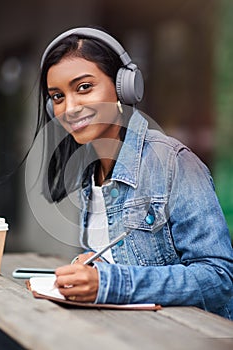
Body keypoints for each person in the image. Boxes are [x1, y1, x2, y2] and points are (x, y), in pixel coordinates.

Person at [34, 26, 233, 319]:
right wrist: (92, 267)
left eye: (84, 87)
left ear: (122, 87)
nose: (70, 108)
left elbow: (219, 279)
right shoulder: (91, 172)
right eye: (58, 96)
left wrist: (111, 283)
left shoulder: (173, 162)